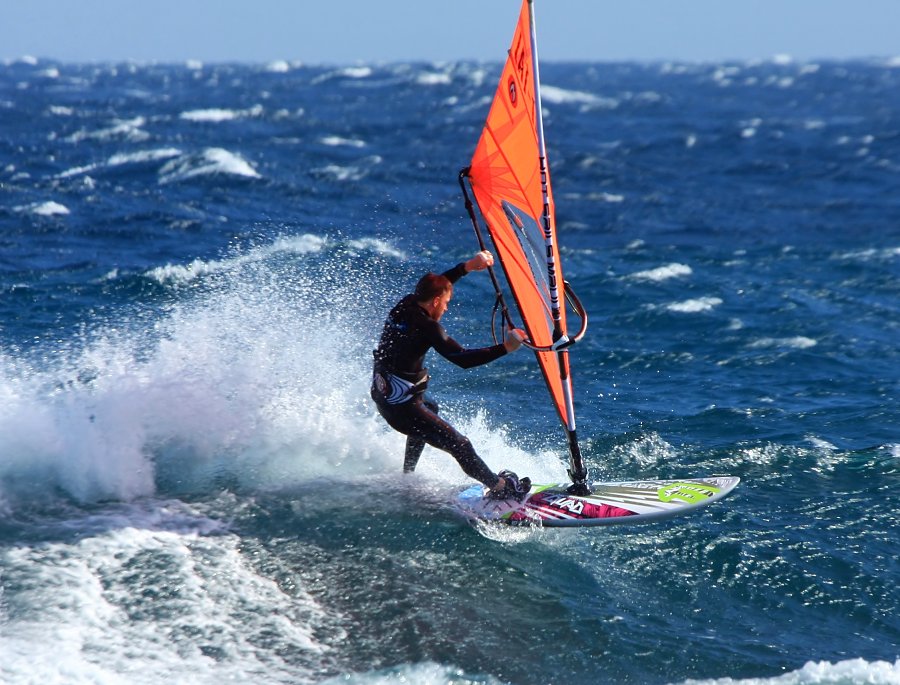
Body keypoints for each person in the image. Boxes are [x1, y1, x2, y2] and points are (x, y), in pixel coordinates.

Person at [371, 250, 531, 500]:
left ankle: (407, 476)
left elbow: (436, 286)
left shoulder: (407, 304)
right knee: (461, 444)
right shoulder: (428, 328)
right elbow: (462, 358)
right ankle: (500, 489)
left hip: (384, 397)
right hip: (401, 409)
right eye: (445, 303)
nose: (446, 308)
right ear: (435, 301)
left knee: (430, 408)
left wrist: (467, 266)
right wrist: (506, 348)